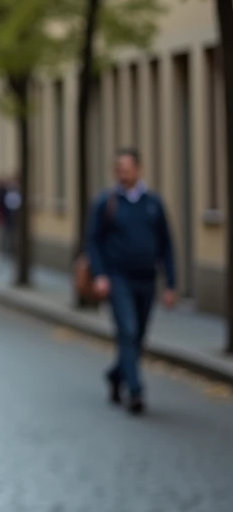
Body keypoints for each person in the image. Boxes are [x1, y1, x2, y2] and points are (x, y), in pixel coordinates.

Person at [87, 148, 177, 415]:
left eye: (127, 168)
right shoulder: (107, 202)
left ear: (139, 169)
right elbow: (93, 241)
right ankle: (135, 391)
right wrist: (100, 274)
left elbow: (167, 245)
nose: (123, 173)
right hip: (118, 278)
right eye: (119, 169)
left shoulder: (153, 204)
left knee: (137, 337)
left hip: (146, 279)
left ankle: (116, 376)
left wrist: (171, 283)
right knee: (126, 330)